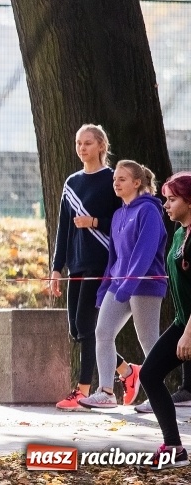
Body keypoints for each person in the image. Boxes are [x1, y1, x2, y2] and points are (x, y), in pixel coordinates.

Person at [49, 124, 129, 411]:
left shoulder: (112, 180)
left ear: (101, 146)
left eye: (87, 143)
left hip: (102, 261)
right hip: (77, 264)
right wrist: (57, 268)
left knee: (86, 326)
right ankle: (127, 372)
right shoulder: (72, 183)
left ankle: (81, 390)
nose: (82, 148)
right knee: (76, 328)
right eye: (78, 143)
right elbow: (62, 230)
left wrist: (94, 222)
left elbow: (123, 222)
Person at [78, 160, 166, 409]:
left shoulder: (148, 211)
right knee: (102, 333)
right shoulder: (118, 215)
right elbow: (113, 258)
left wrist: (129, 284)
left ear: (137, 183)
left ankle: (158, 395)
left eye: (122, 179)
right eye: (115, 179)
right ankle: (106, 392)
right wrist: (106, 287)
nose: (116, 183)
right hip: (119, 284)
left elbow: (144, 253)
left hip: (145, 285)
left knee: (148, 340)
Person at [139, 171, 191, 468]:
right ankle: (174, 447)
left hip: (189, 327)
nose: (166, 205)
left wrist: (188, 335)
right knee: (150, 374)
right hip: (184, 321)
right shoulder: (180, 232)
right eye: (165, 199)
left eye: (172, 199)